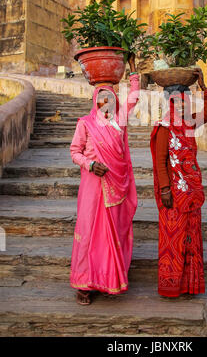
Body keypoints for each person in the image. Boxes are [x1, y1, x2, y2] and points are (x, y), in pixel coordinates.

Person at [70, 54, 140, 305]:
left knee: (112, 234)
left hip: (116, 188)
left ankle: (109, 279)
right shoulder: (85, 124)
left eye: (110, 97)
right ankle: (84, 285)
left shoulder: (119, 122)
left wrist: (133, 69)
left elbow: (134, 98)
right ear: (95, 100)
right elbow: (74, 152)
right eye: (102, 97)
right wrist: (89, 164)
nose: (106, 101)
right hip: (93, 188)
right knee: (89, 233)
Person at [150, 69, 207, 298]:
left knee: (191, 236)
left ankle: (190, 284)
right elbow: (160, 161)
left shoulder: (189, 123)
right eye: (175, 102)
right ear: (168, 104)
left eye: (183, 102)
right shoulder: (164, 128)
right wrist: (165, 189)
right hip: (174, 193)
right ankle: (172, 285)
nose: (179, 106)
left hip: (192, 192)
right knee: (173, 237)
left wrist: (203, 87)